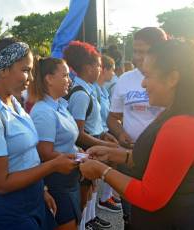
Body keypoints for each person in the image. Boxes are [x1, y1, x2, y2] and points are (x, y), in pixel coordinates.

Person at [80, 38, 194, 229]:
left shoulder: (182, 126)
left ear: (173, 78)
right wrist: (116, 154)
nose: (143, 83)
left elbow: (150, 197)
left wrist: (102, 171)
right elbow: (163, 163)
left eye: (148, 76)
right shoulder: (179, 114)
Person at [0, 38, 77, 230]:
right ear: (3, 70)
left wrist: (42, 190)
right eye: (26, 70)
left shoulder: (14, 104)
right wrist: (53, 165)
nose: (31, 78)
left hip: (33, 199)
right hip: (11, 210)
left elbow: (28, 157)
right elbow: (1, 183)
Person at [106, 27, 168, 226]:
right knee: (132, 214)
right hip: (129, 157)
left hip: (162, 158)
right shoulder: (124, 80)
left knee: (157, 211)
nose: (137, 57)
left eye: (144, 51)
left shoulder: (171, 80)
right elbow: (112, 117)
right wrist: (120, 132)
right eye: (135, 51)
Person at [63, 40, 117, 230]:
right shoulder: (81, 94)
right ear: (88, 68)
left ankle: (88, 221)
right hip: (85, 148)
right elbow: (79, 133)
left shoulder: (88, 90)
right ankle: (81, 224)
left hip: (93, 143)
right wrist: (105, 146)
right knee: (83, 193)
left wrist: (104, 136)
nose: (100, 70)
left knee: (91, 188)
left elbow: (92, 124)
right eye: (99, 66)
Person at [29, 56, 81, 230]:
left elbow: (66, 141)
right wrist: (79, 158)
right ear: (49, 79)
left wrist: (79, 152)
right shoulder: (43, 111)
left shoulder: (59, 106)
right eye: (65, 75)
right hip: (57, 181)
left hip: (68, 177)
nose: (69, 80)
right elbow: (45, 153)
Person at [94, 55, 122, 213]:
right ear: (103, 70)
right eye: (111, 69)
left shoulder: (103, 89)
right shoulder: (95, 90)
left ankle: (107, 196)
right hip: (99, 133)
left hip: (104, 132)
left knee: (111, 164)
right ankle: (104, 199)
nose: (113, 73)